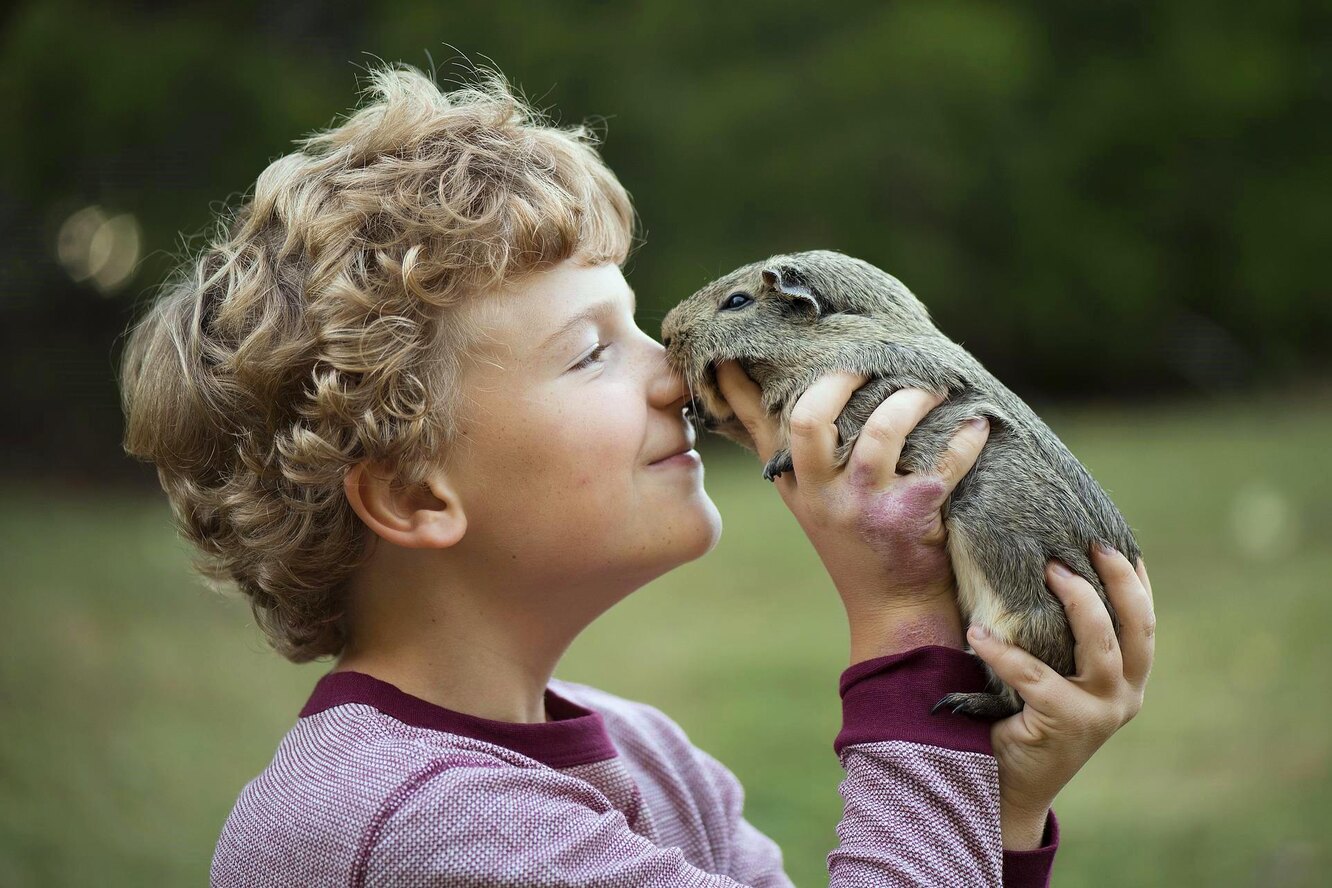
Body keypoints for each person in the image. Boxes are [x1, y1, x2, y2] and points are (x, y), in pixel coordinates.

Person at [118, 61, 1155, 887]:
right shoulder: (411, 829)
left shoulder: (650, 757)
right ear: (413, 496)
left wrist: (998, 813)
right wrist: (904, 630)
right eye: (590, 352)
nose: (674, 374)